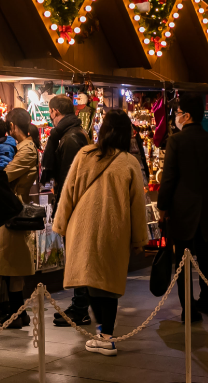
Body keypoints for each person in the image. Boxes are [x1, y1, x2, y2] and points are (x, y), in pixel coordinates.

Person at [53, 109, 147, 354]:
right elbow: (137, 204)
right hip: (114, 229)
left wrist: (60, 225)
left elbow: (68, 192)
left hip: (82, 228)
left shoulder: (86, 154)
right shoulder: (129, 162)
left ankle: (103, 335)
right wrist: (139, 239)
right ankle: (106, 336)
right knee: (109, 285)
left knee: (89, 282)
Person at [157, 93, 208, 322]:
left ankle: (188, 308)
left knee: (183, 259)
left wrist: (163, 207)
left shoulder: (176, 141)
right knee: (205, 253)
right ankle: (206, 300)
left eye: (177, 113)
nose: (175, 118)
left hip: (182, 208)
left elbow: (168, 178)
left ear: (186, 116)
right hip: (206, 206)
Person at [39, 94, 91, 326]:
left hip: (76, 207)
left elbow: (72, 179)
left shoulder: (69, 138)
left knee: (77, 255)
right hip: (76, 204)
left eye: (50, 113)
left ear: (55, 113)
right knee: (76, 255)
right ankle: (79, 303)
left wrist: (64, 206)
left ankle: (81, 307)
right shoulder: (73, 133)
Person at [0, 108, 38, 329]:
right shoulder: (20, 148)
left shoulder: (27, 150)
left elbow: (6, 174)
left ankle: (17, 314)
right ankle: (15, 313)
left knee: (14, 266)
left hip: (14, 210)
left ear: (12, 126)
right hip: (8, 208)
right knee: (9, 265)